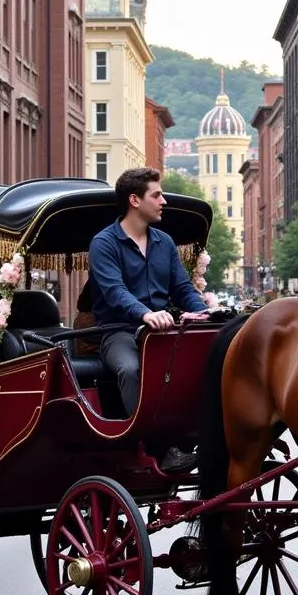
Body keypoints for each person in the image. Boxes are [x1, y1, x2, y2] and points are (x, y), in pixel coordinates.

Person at [88, 167, 208, 473]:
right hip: (119, 332)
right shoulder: (104, 243)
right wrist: (145, 313)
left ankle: (196, 437)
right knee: (130, 369)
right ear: (134, 200)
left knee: (203, 362)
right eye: (156, 195)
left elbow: (182, 289)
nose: (163, 201)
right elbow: (114, 292)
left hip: (163, 332)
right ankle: (152, 448)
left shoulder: (164, 242)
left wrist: (203, 312)